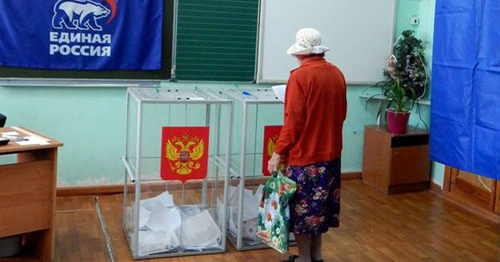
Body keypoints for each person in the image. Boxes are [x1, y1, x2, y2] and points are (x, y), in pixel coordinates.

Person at [268, 28, 347, 262]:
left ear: (299, 53)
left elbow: (293, 122)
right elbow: (341, 114)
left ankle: (304, 259)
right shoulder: (336, 73)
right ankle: (316, 257)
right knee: (319, 211)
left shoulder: (299, 77)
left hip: (305, 158)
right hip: (331, 155)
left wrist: (277, 153)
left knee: (302, 214)